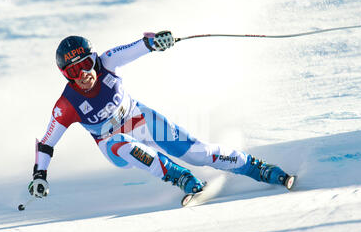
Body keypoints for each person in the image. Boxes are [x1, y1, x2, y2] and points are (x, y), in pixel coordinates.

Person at [28, 31, 295, 205]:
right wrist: (40, 175)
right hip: (113, 144)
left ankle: (257, 168)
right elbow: (47, 143)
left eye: (86, 64)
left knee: (197, 152)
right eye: (74, 71)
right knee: (118, 141)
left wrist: (155, 42)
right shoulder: (66, 105)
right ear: (66, 75)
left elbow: (135, 48)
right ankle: (179, 177)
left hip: (139, 119)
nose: (84, 74)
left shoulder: (107, 61)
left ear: (94, 59)